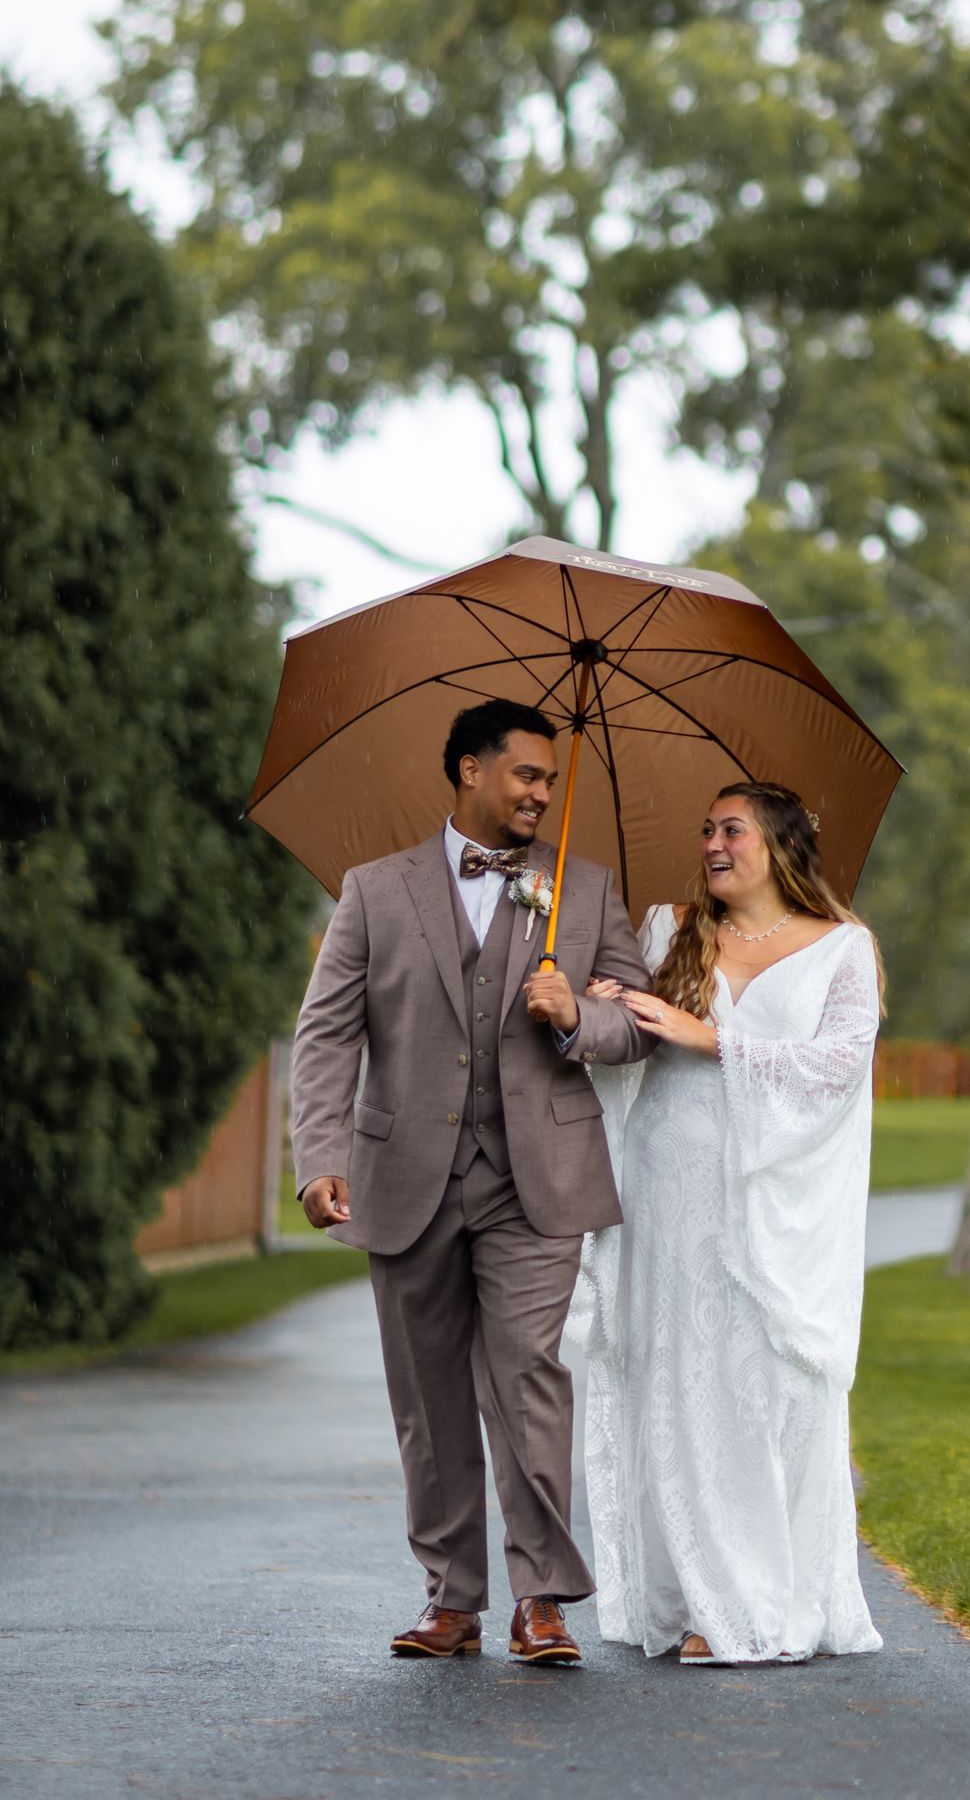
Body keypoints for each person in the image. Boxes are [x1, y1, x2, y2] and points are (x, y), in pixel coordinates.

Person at [289, 697, 654, 1667]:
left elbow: (638, 1021)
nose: (543, 792)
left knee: (529, 1376)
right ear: (470, 771)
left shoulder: (586, 889)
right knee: (428, 1397)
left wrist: (577, 1012)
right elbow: (326, 1034)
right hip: (402, 1178)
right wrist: (319, 1158)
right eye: (527, 774)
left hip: (539, 1178)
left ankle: (544, 1598)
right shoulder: (374, 890)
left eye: (549, 778)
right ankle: (451, 1600)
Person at [574, 780, 884, 1665]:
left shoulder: (842, 950)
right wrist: (602, 1007)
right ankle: (688, 1601)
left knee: (760, 1384)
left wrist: (711, 1037)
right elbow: (631, 1043)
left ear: (780, 845)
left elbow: (838, 1066)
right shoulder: (670, 927)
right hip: (668, 1182)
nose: (712, 842)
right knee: (678, 1378)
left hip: (772, 1199)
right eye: (706, 828)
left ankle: (757, 1597)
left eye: (731, 829)